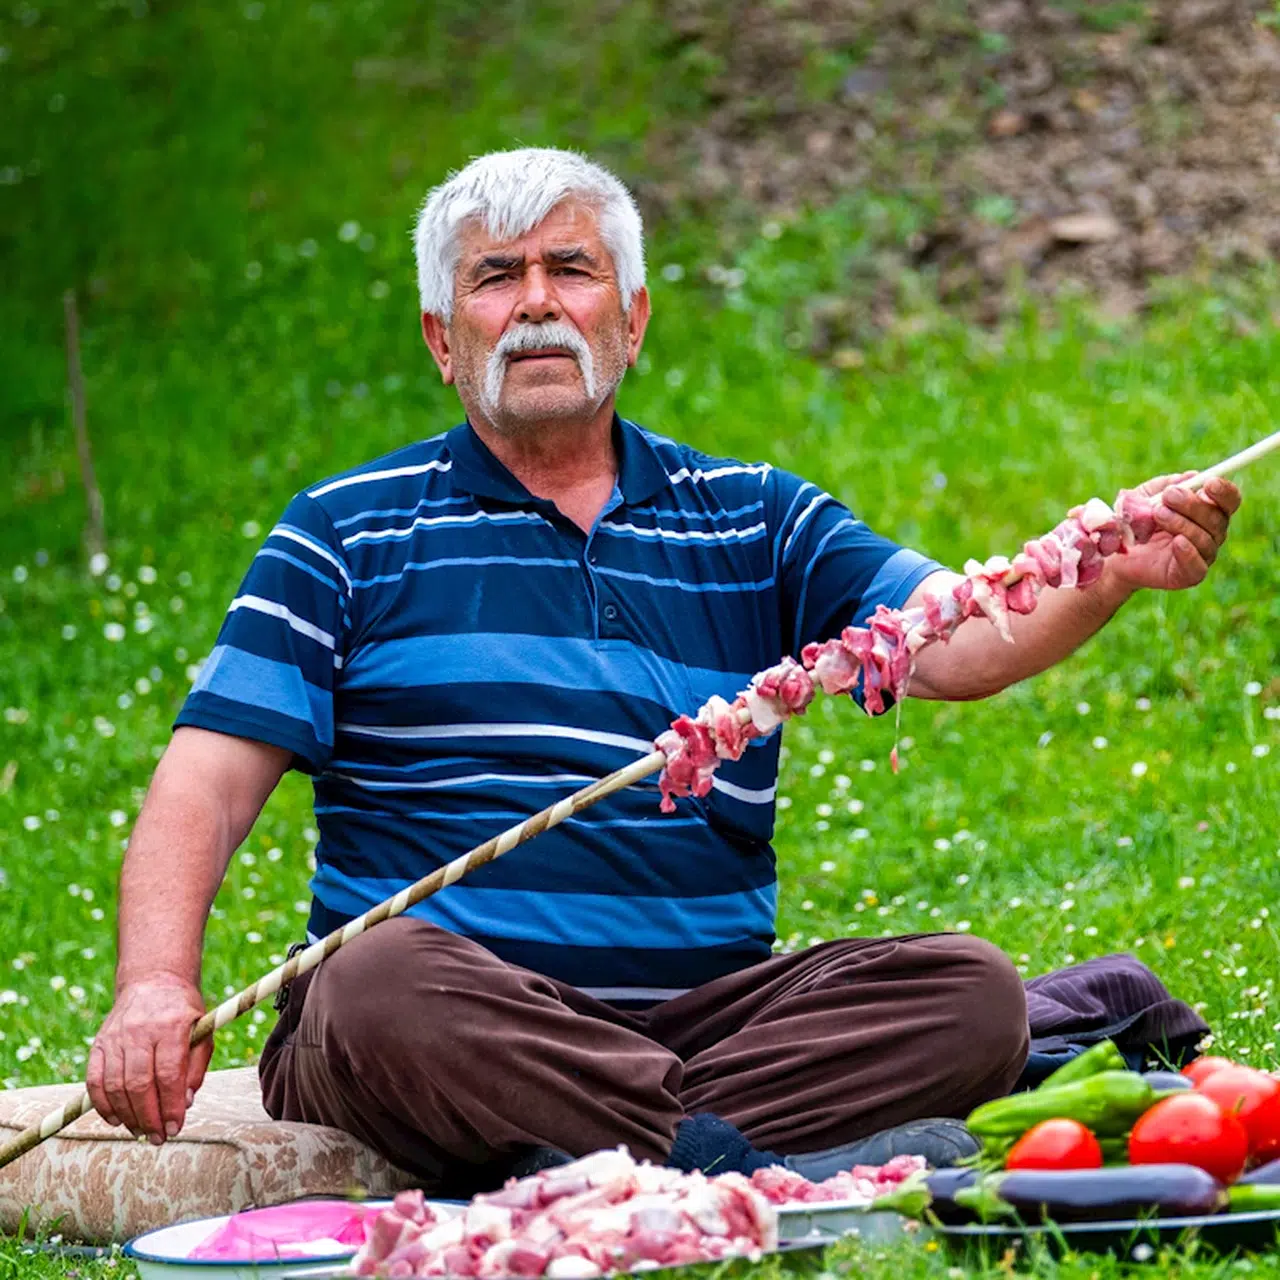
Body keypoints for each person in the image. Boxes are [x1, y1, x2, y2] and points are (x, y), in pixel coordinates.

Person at [87, 148, 1241, 1191]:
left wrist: (1102, 573)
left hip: (703, 1021)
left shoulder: (755, 516)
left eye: (570, 269)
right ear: (445, 338)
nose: (536, 301)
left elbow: (960, 636)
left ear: (630, 319)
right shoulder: (341, 533)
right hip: (447, 1009)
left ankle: (591, 1149)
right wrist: (153, 983)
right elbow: (209, 778)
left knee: (972, 993)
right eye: (495, 278)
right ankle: (723, 1161)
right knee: (369, 986)